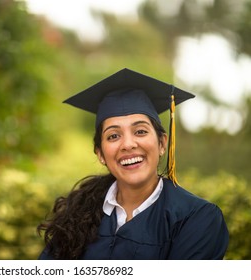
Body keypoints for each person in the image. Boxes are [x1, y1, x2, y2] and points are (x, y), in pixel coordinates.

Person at [37, 68, 229, 260]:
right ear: (100, 154)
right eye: (113, 136)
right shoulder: (78, 214)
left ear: (162, 143)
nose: (128, 144)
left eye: (140, 132)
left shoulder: (197, 219)